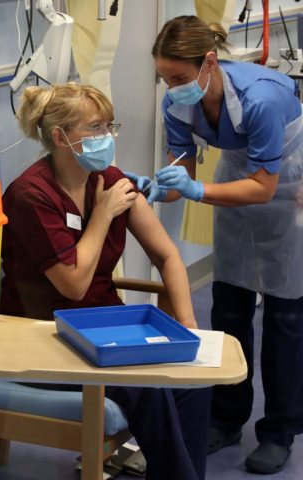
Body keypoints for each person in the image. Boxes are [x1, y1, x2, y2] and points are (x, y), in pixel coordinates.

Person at [0, 82, 210, 480]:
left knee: (191, 380)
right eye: (95, 128)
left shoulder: (108, 179)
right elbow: (74, 285)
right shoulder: (31, 196)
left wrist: (188, 327)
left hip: (107, 332)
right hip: (43, 337)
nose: (107, 138)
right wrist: (103, 214)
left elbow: (167, 256)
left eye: (109, 126)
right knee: (149, 387)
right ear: (60, 137)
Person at [133, 15, 303, 475]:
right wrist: (152, 185)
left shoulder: (261, 101)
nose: (172, 87)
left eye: (180, 77)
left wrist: (198, 192)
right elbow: (181, 176)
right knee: (229, 304)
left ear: (209, 62)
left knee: (286, 313)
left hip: (290, 182)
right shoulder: (178, 103)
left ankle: (280, 430)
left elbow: (264, 188)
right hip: (236, 179)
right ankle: (226, 417)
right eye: (164, 78)